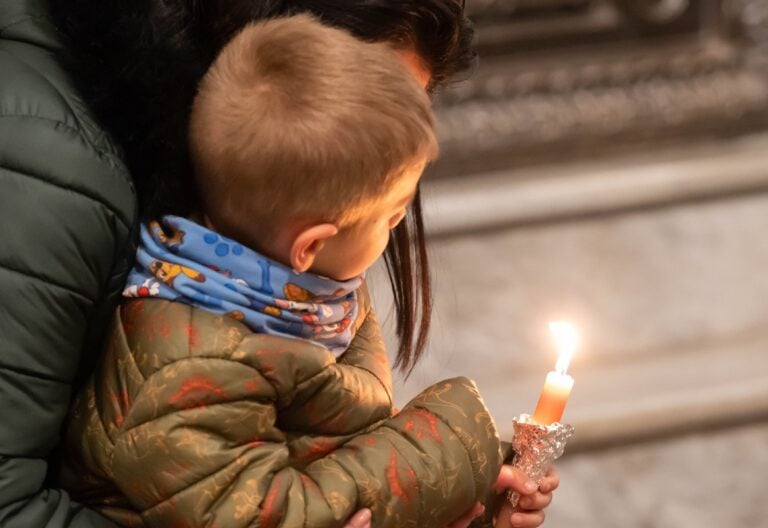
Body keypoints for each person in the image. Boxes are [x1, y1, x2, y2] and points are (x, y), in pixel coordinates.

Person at [0, 0, 557, 526]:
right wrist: (456, 451)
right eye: (366, 103)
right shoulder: (190, 355)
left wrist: (465, 498)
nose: (383, 138)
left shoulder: (277, 280)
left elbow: (317, 454)